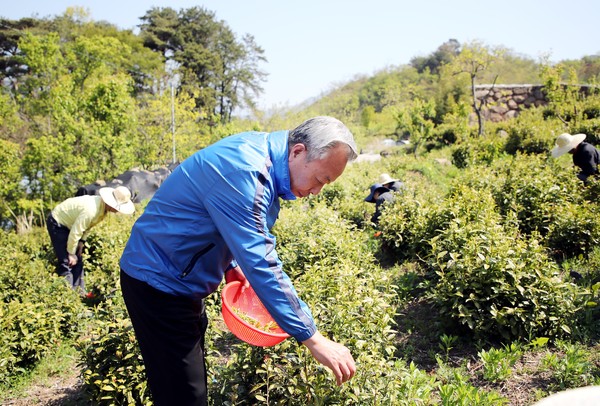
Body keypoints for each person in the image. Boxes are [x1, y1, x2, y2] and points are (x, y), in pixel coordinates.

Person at [119, 116, 358, 405]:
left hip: (178, 278)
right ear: (297, 152)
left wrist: (231, 268)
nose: (317, 191)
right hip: (158, 282)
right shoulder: (247, 171)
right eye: (320, 179)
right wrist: (313, 338)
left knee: (181, 384)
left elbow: (220, 222)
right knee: (184, 396)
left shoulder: (263, 158)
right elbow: (262, 262)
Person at [47, 186, 135, 293]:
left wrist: (81, 242)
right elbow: (76, 231)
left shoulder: (102, 210)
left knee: (78, 258)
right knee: (67, 261)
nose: (117, 211)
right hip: (58, 222)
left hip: (72, 226)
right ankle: (66, 296)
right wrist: (70, 253)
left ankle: (80, 293)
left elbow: (88, 227)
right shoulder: (91, 210)